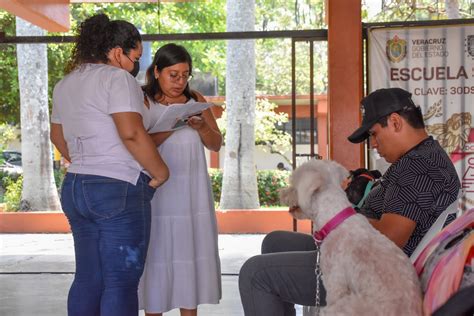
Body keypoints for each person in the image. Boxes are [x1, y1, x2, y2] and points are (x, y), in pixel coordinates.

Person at [238, 87, 461, 316]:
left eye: (374, 134)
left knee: (254, 274)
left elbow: (392, 236)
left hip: (369, 273)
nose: (373, 144)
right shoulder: (419, 157)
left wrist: (340, 215)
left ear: (395, 122)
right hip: (359, 252)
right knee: (275, 242)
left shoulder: (418, 166)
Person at [50, 14, 169, 316]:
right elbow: (131, 132)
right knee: (120, 282)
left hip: (76, 186)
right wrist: (160, 172)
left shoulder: (66, 83)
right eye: (135, 57)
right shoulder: (117, 78)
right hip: (117, 188)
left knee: (88, 277)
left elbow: (57, 135)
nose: (135, 66)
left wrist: (86, 162)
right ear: (118, 52)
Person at [138, 43, 222, 316]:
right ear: (157, 71)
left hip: (191, 192)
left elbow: (216, 144)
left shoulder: (195, 98)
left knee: (190, 254)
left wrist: (201, 126)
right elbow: (137, 142)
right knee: (157, 255)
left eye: (185, 75)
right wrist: (172, 125)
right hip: (157, 190)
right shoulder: (142, 99)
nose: (180, 81)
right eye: (173, 74)